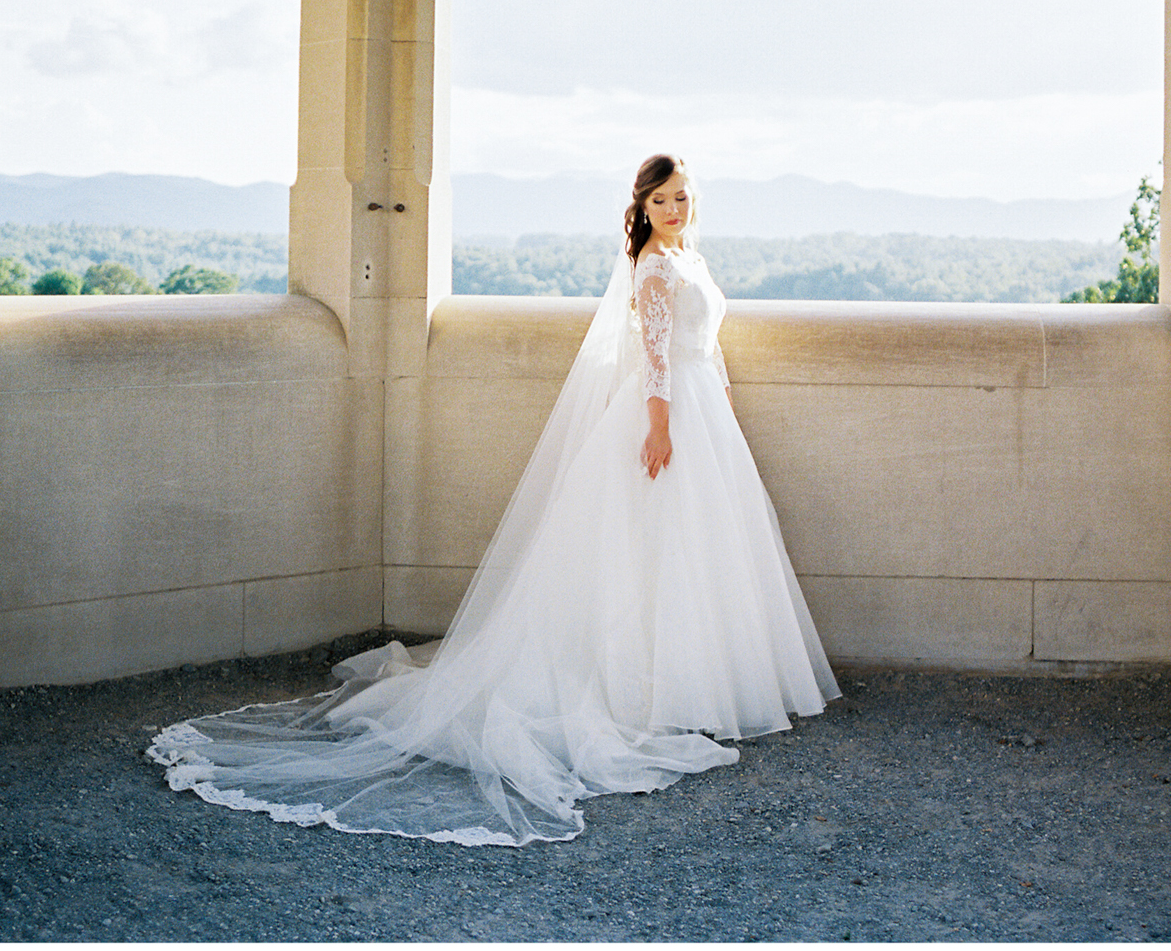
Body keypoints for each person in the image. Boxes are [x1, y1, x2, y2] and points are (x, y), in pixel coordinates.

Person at [146, 154, 838, 845]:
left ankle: (696, 684)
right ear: (643, 209)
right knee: (645, 552)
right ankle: (646, 690)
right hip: (663, 413)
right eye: (663, 202)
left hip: (704, 411)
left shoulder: (691, 259)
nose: (676, 210)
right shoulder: (654, 267)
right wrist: (660, 426)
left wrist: (717, 403)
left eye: (683, 198)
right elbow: (653, 354)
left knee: (697, 553)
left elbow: (704, 349)